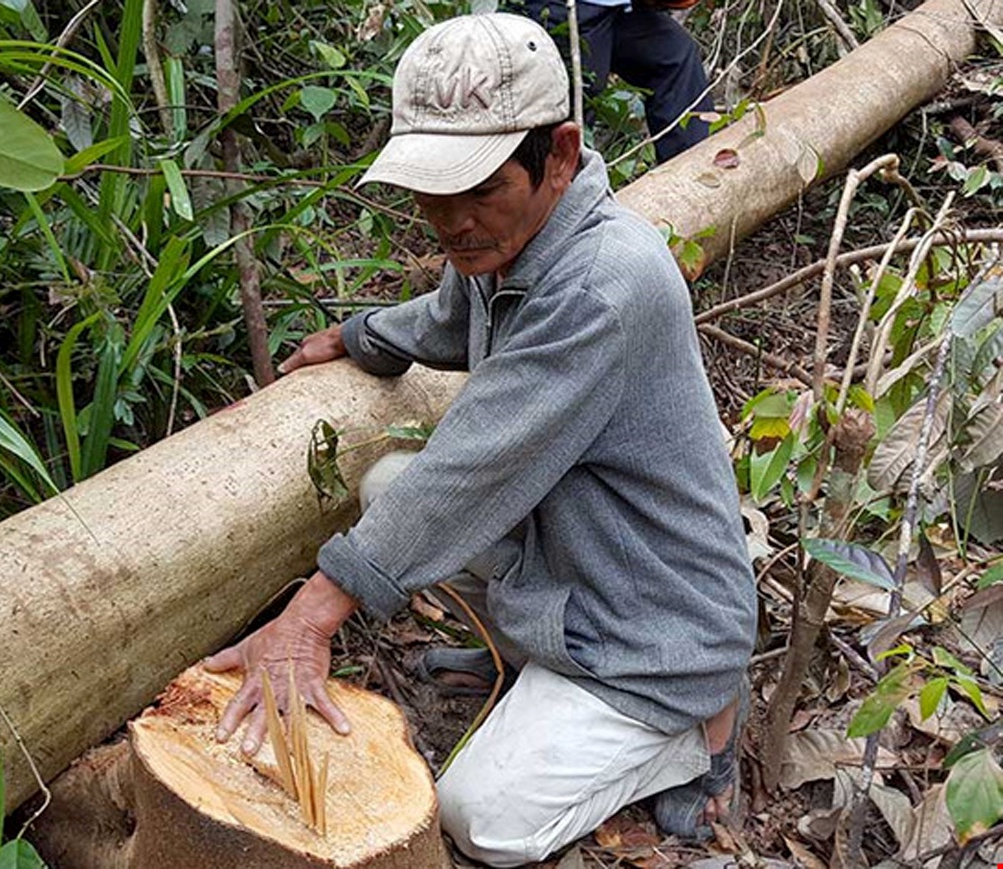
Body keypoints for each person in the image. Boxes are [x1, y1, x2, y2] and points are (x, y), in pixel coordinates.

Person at [202, 12, 756, 866]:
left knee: (479, 818)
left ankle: (696, 731)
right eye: (433, 194)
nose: (452, 221)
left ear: (559, 155)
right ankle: (529, 656)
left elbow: (471, 466)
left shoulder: (603, 285)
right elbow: (448, 317)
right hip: (578, 559)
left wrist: (309, 616)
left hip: (655, 625)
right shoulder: (511, 244)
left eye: (480, 189)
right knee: (388, 487)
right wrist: (357, 337)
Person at [520, 0, 715, 162]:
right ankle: (555, 185)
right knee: (580, 96)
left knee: (675, 55)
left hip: (619, 8)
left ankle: (689, 169)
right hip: (569, 7)